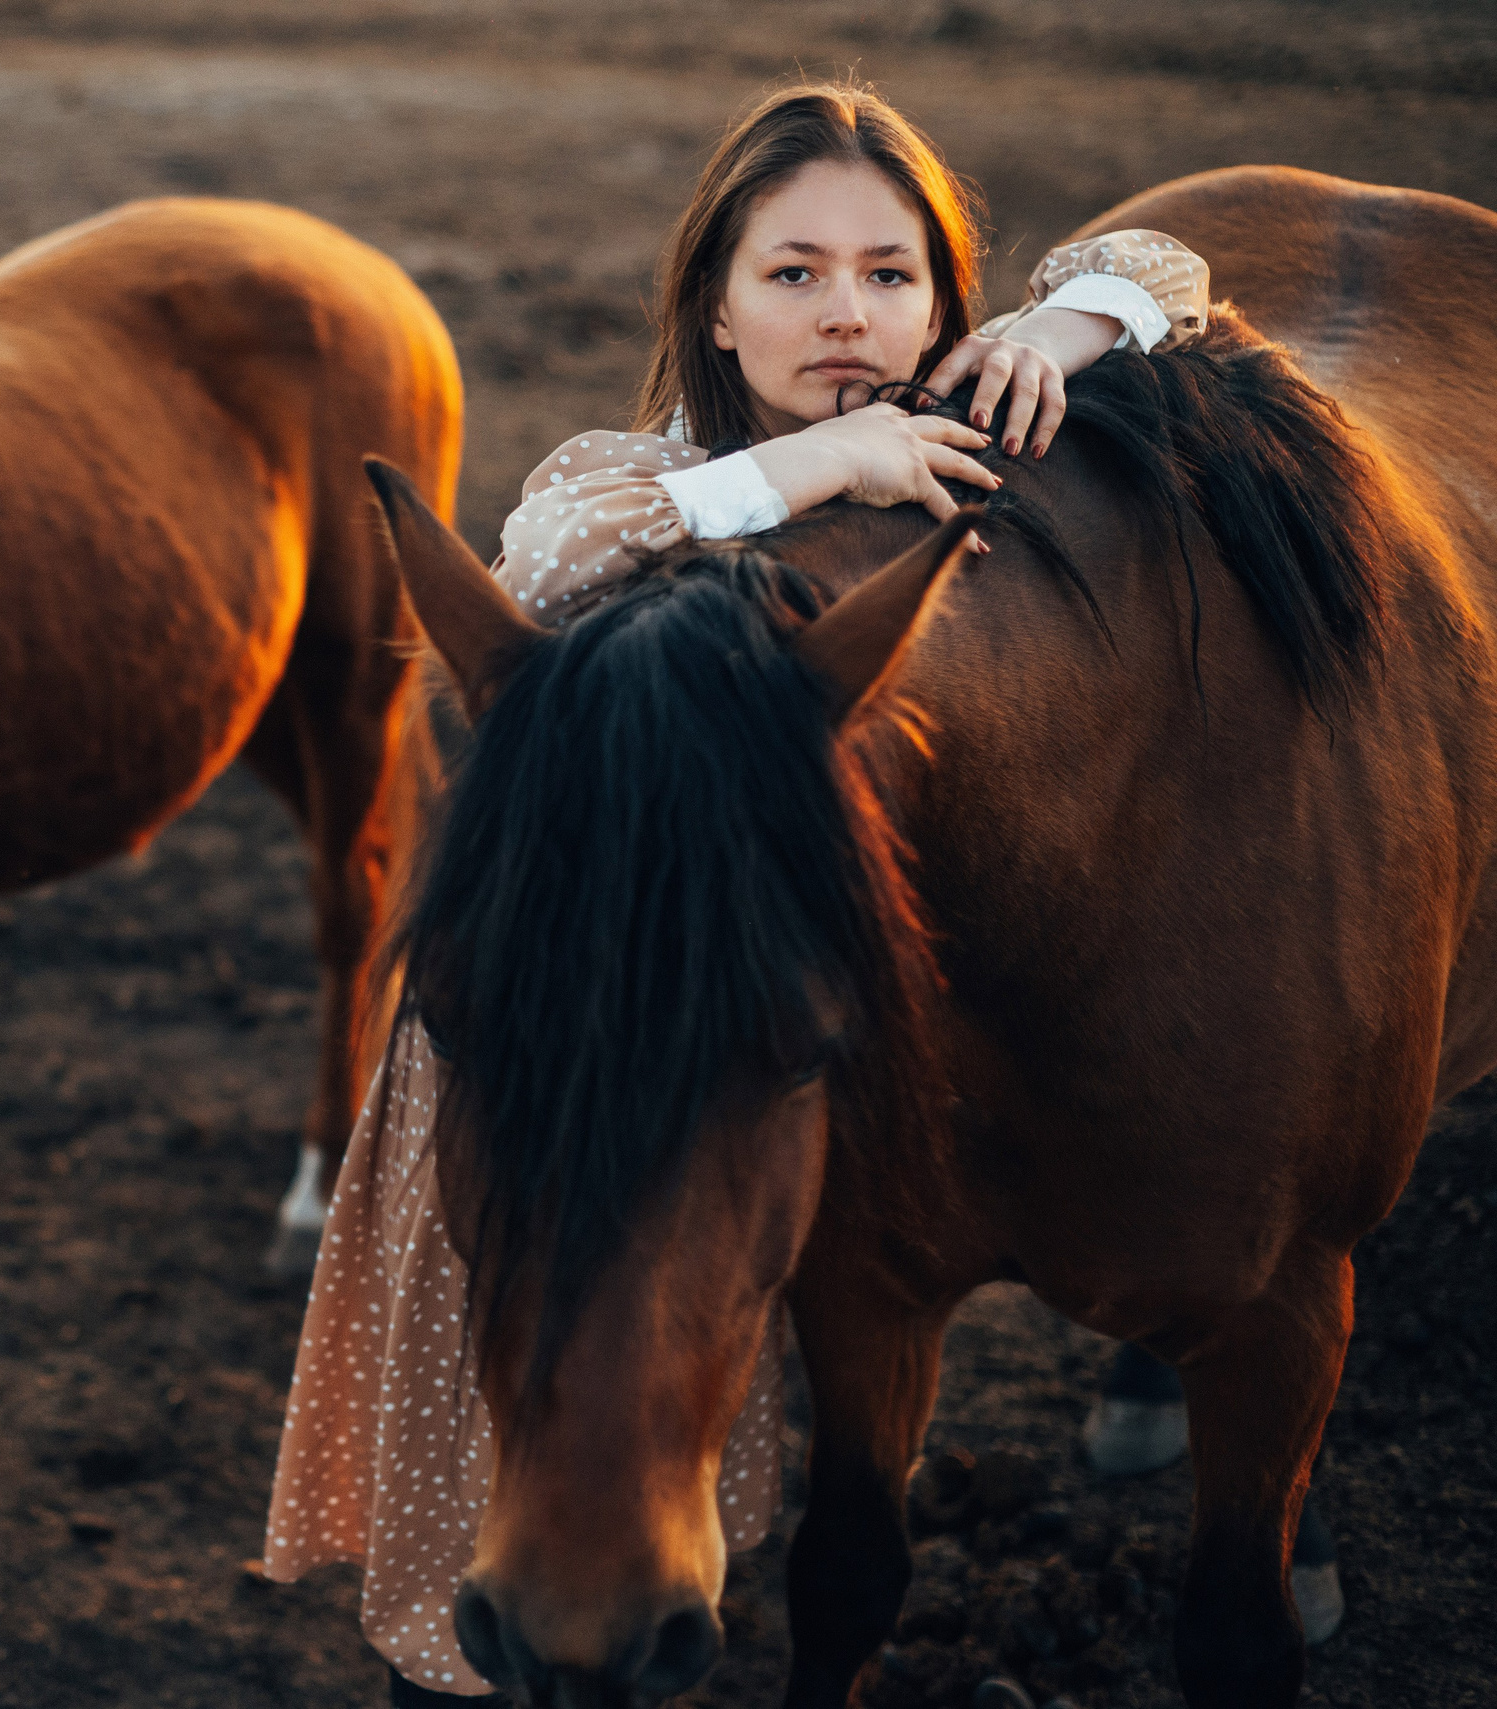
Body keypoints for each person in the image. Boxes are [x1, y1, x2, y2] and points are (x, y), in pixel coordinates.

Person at [260, 80, 1211, 1705]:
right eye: (792, 273)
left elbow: (1174, 258)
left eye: (891, 275)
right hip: (577, 1014)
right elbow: (550, 551)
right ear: (714, 297)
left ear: (943, 301)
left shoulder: (955, 438)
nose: (847, 312)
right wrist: (812, 461)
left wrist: (1069, 332)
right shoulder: (644, 475)